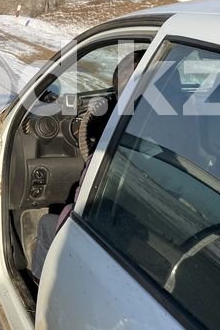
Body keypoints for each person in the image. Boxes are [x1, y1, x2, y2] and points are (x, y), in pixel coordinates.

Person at [30, 49, 145, 281]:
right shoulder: (176, 124)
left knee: (47, 223)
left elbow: (83, 204)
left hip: (117, 234)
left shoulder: (117, 148)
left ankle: (39, 287)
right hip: (147, 223)